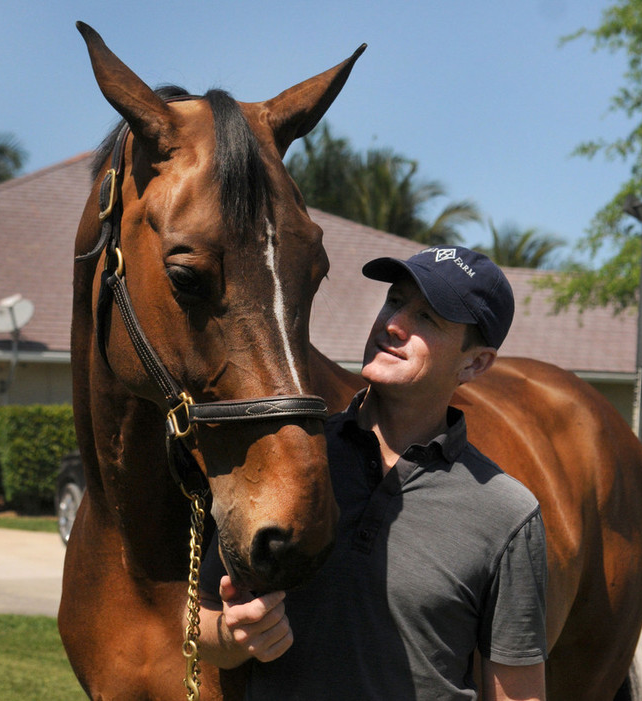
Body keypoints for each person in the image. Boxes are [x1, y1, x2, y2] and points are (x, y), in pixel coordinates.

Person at [196, 246, 548, 700]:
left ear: (474, 363)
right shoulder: (288, 461)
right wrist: (233, 636)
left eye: (429, 319)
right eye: (395, 300)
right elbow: (202, 623)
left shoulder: (507, 515)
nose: (394, 324)